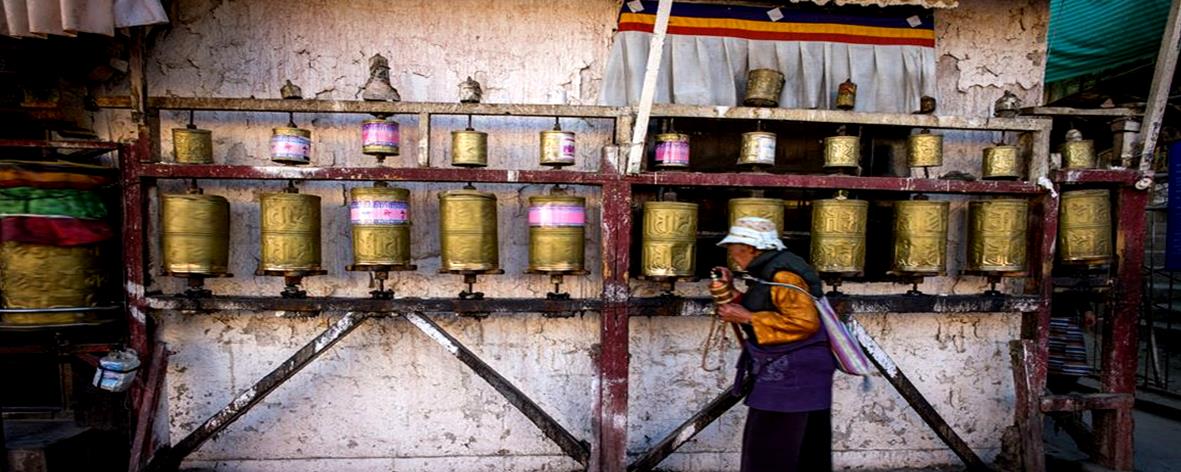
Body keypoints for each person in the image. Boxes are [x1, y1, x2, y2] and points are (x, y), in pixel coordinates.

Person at [713, 216, 836, 472]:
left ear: (752, 248)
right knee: (797, 446)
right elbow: (768, 304)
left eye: (734, 249)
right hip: (793, 369)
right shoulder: (770, 272)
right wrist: (731, 290)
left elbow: (804, 323)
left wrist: (746, 317)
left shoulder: (785, 275)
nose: (732, 255)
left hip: (794, 372)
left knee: (771, 446)